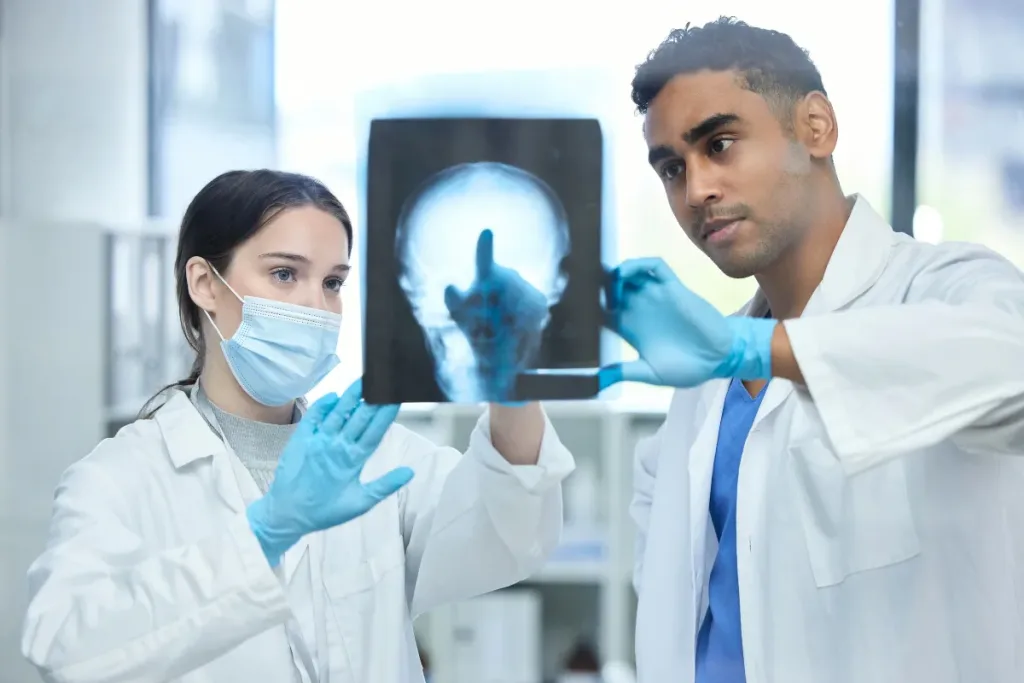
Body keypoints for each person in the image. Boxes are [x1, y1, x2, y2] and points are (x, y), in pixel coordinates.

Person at [21, 169, 576, 683]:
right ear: (205, 284)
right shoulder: (121, 478)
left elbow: (507, 535)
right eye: (284, 274)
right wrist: (267, 531)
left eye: (333, 282)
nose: (316, 306)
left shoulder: (372, 454)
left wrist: (512, 380)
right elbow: (66, 651)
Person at [597, 17, 1024, 683]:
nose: (696, 189)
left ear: (816, 127)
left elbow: (1009, 365)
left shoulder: (945, 288)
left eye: (722, 143)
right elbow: (680, 619)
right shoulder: (703, 390)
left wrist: (757, 349)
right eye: (673, 167)